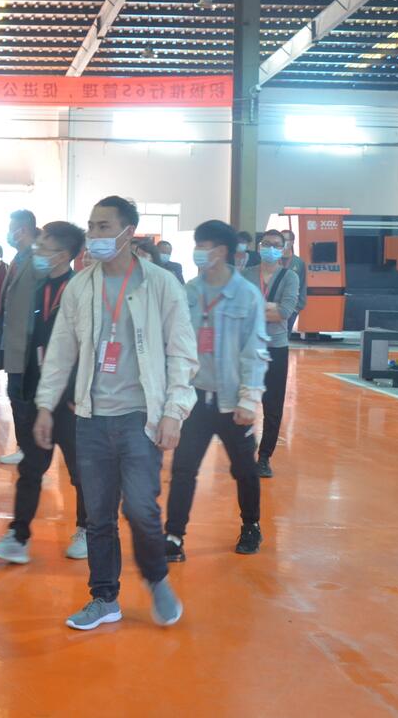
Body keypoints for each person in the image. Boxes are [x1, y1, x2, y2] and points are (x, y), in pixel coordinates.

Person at [33, 195, 196, 632]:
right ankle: (104, 598)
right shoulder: (80, 286)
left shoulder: (160, 285)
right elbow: (61, 351)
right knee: (98, 516)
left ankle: (157, 579)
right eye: (91, 226)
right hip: (90, 417)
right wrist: (46, 404)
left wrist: (174, 412)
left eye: (103, 227)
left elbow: (182, 352)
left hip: (140, 417)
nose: (94, 235)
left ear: (128, 232)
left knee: (141, 509)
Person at [0, 221, 89, 565]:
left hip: (70, 401)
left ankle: (87, 529)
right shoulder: (40, 287)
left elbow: (84, 349)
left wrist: (74, 395)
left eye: (43, 248)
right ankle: (18, 537)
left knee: (81, 472)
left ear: (62, 255)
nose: (37, 253)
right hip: (39, 395)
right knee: (31, 468)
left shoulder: (78, 291)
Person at [165, 219, 268, 562]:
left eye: (203, 246)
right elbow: (176, 344)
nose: (198, 252)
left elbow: (255, 351)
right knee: (183, 468)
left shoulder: (247, 296)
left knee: (244, 469)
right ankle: (174, 536)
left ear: (221, 251)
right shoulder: (189, 292)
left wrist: (249, 400)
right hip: (194, 399)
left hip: (231, 401)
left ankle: (251, 525)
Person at [245, 229, 299, 478]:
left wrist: (255, 309)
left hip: (275, 347)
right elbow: (238, 308)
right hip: (247, 346)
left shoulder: (289, 277)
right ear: (259, 246)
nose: (271, 248)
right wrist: (268, 308)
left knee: (273, 405)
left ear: (284, 248)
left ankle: (264, 457)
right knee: (243, 399)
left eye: (277, 244)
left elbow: (285, 312)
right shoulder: (246, 275)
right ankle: (245, 448)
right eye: (267, 243)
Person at [0, 210, 41, 465]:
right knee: (15, 394)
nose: (9, 233)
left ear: (22, 230)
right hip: (11, 340)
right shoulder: (18, 258)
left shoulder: (38, 259)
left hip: (26, 343)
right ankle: (25, 446)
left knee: (23, 396)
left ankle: (29, 449)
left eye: (11, 228)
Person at [280, 228, 308, 335]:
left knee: (285, 336)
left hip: (291, 308)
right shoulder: (274, 260)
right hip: (274, 307)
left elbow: (303, 285)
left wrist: (297, 307)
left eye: (285, 240)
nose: (283, 242)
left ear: (292, 242)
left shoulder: (299, 263)